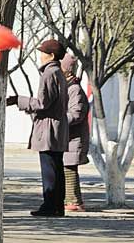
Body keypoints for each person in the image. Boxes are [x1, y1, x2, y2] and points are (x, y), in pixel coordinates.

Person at [7, 39, 69, 217]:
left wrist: (19, 100)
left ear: (51, 55)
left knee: (49, 168)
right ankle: (57, 206)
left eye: (42, 52)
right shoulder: (58, 72)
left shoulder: (49, 74)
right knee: (56, 167)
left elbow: (42, 103)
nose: (40, 55)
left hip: (49, 127)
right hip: (57, 126)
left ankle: (50, 205)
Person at [61, 53, 89, 212]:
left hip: (74, 139)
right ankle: (74, 200)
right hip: (68, 138)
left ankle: (74, 202)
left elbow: (76, 114)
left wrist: (58, 121)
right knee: (67, 169)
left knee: (69, 170)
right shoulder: (68, 87)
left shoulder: (74, 89)